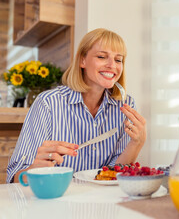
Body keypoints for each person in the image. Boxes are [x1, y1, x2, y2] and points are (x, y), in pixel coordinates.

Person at [7, 28, 146, 183]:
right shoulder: (48, 103)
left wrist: (136, 143)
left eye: (118, 60)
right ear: (82, 60)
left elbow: (116, 172)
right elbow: (14, 179)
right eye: (102, 56)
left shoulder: (125, 106)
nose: (112, 65)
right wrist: (34, 171)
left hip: (104, 203)